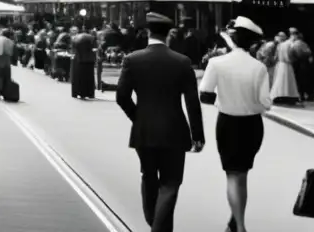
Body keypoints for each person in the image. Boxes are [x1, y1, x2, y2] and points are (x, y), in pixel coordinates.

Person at [116, 12, 205, 232]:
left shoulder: (132, 59)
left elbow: (121, 96)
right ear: (169, 35)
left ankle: (153, 221)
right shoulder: (182, 62)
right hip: (175, 130)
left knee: (148, 176)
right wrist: (198, 135)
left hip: (144, 130)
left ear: (148, 32)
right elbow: (192, 102)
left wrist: (137, 117)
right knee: (171, 183)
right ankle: (159, 227)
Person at [198, 16, 271, 232]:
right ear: (253, 43)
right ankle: (235, 221)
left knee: (233, 174)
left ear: (232, 38)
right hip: (253, 126)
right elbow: (266, 103)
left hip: (227, 123)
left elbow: (205, 95)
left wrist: (224, 98)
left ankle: (239, 225)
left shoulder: (216, 63)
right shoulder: (259, 67)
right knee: (242, 173)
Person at [71, 27, 97, 99]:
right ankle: (89, 93)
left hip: (78, 59)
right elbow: (95, 49)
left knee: (77, 77)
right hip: (89, 60)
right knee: (88, 77)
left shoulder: (75, 37)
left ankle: (76, 93)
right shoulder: (92, 37)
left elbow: (73, 48)